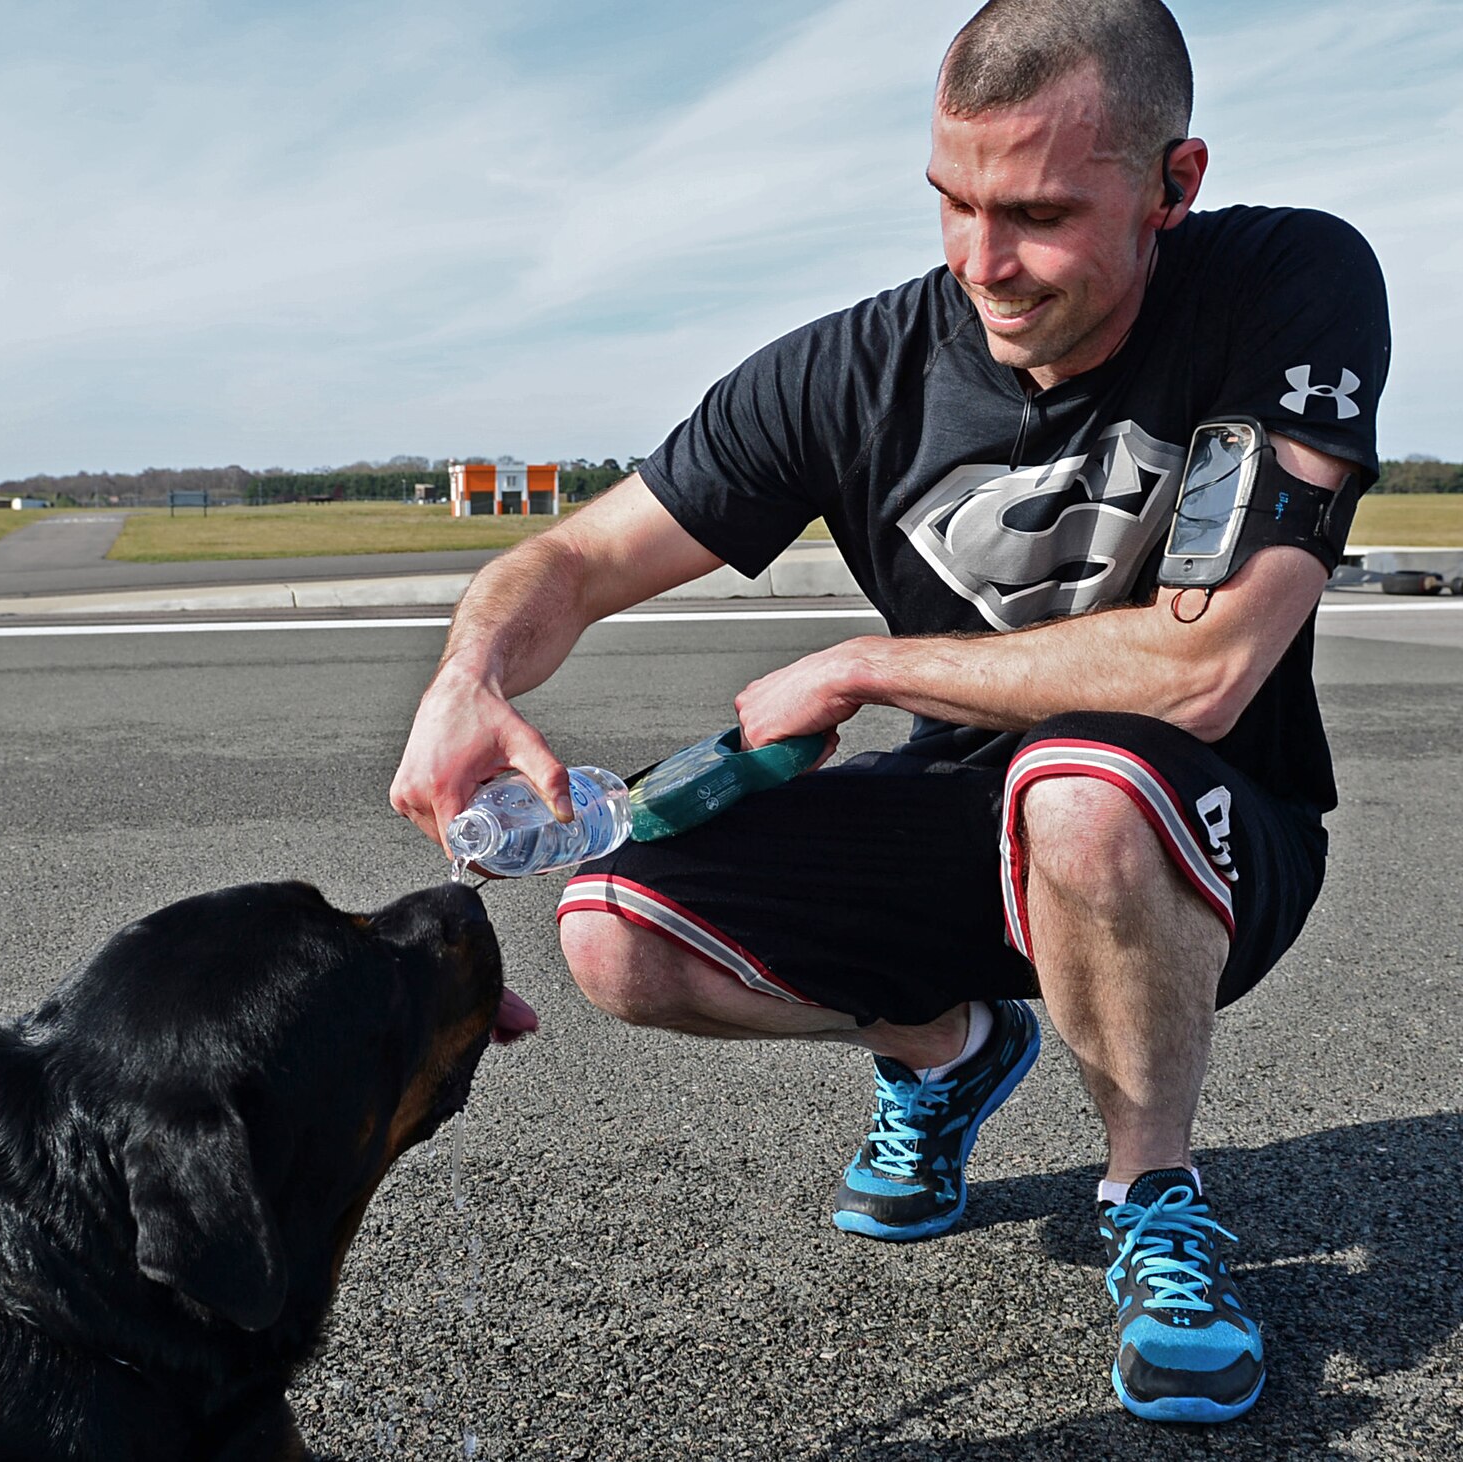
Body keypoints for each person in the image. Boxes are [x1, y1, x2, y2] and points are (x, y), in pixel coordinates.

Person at [389, 0, 1389, 1426]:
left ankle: (1152, 1194)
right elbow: (570, 559)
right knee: (612, 925)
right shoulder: (855, 371)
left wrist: (863, 667)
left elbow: (1206, 661)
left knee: (1087, 783)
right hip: (963, 823)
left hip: (1205, 829)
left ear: (1174, 183)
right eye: (954, 201)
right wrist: (466, 675)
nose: (987, 264)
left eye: (1040, 214)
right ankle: (949, 1049)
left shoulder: (1290, 280)